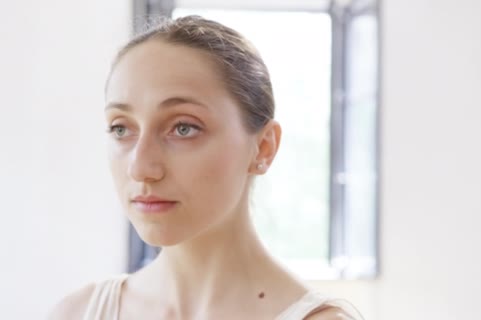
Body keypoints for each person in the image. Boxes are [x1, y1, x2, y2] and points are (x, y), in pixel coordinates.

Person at [49, 15, 362, 320]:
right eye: (121, 128)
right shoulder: (77, 313)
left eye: (184, 128)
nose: (141, 168)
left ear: (264, 147)